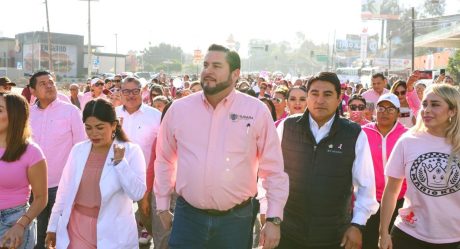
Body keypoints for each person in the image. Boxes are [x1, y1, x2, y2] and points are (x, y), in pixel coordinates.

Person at [154, 44, 289, 249]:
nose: (208, 70)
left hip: (236, 220)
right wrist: (162, 206)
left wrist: (273, 218)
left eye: (217, 66)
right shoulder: (179, 110)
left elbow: (273, 169)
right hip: (188, 217)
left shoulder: (256, 111)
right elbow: (164, 159)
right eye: (206, 65)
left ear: (235, 74)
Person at [276, 72, 379, 249]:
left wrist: (357, 225)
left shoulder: (353, 134)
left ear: (339, 98)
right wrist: (269, 217)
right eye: (314, 94)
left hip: (333, 235)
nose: (320, 100)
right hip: (287, 231)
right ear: (307, 96)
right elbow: (272, 175)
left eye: (328, 94)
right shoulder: (287, 127)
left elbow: (366, 186)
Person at [45, 99, 147, 249]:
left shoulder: (131, 151)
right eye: (88, 128)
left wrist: (120, 163)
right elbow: (64, 191)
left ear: (114, 125)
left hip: (114, 231)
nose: (94, 134)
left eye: (99, 127)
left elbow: (137, 193)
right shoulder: (78, 150)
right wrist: (52, 226)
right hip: (76, 227)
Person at [379, 84, 460, 249]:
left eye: (435, 104)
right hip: (408, 234)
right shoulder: (407, 141)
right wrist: (383, 232)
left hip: (453, 238)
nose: (426, 110)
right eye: (425, 104)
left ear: (452, 111)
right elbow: (392, 190)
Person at [28, 71, 86, 249]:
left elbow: (81, 148)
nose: (49, 86)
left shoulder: (71, 111)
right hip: (32, 188)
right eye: (43, 83)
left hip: (62, 187)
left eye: (51, 82)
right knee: (37, 237)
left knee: (61, 237)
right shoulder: (28, 114)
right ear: (33, 91)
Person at [115, 77, 162, 246]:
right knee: (118, 224)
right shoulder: (113, 115)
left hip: (146, 179)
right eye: (126, 91)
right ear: (120, 93)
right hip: (117, 178)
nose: (131, 95)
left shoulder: (155, 116)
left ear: (142, 92)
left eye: (135, 91)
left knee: (149, 222)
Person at [0, 93, 47, 249]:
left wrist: (20, 225)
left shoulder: (32, 152)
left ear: (15, 116)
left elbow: (40, 198)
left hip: (15, 221)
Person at [361, 93, 408, 249]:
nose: (384, 112)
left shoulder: (406, 135)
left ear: (398, 113)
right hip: (370, 199)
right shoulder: (363, 132)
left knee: (394, 242)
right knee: (370, 241)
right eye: (381, 108)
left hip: (399, 199)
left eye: (390, 109)